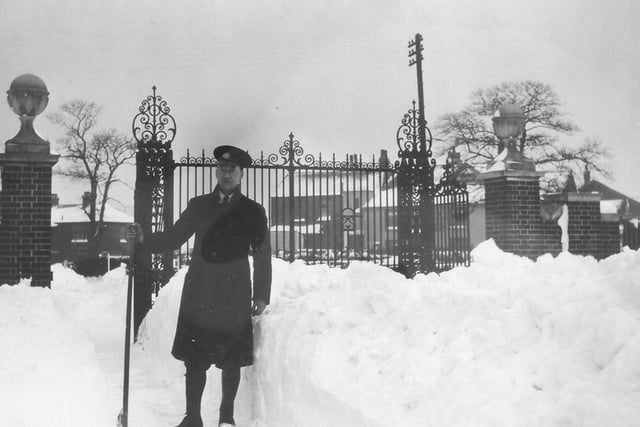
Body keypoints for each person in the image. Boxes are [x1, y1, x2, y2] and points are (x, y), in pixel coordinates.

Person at [131, 145, 272, 427]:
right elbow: (173, 238)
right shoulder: (199, 206)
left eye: (232, 170)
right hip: (201, 290)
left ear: (241, 174)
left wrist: (261, 295)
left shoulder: (253, 211)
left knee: (230, 360)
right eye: (222, 168)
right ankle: (192, 417)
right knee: (195, 358)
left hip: (234, 291)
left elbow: (262, 255)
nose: (226, 174)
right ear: (216, 172)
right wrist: (145, 239)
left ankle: (226, 418)